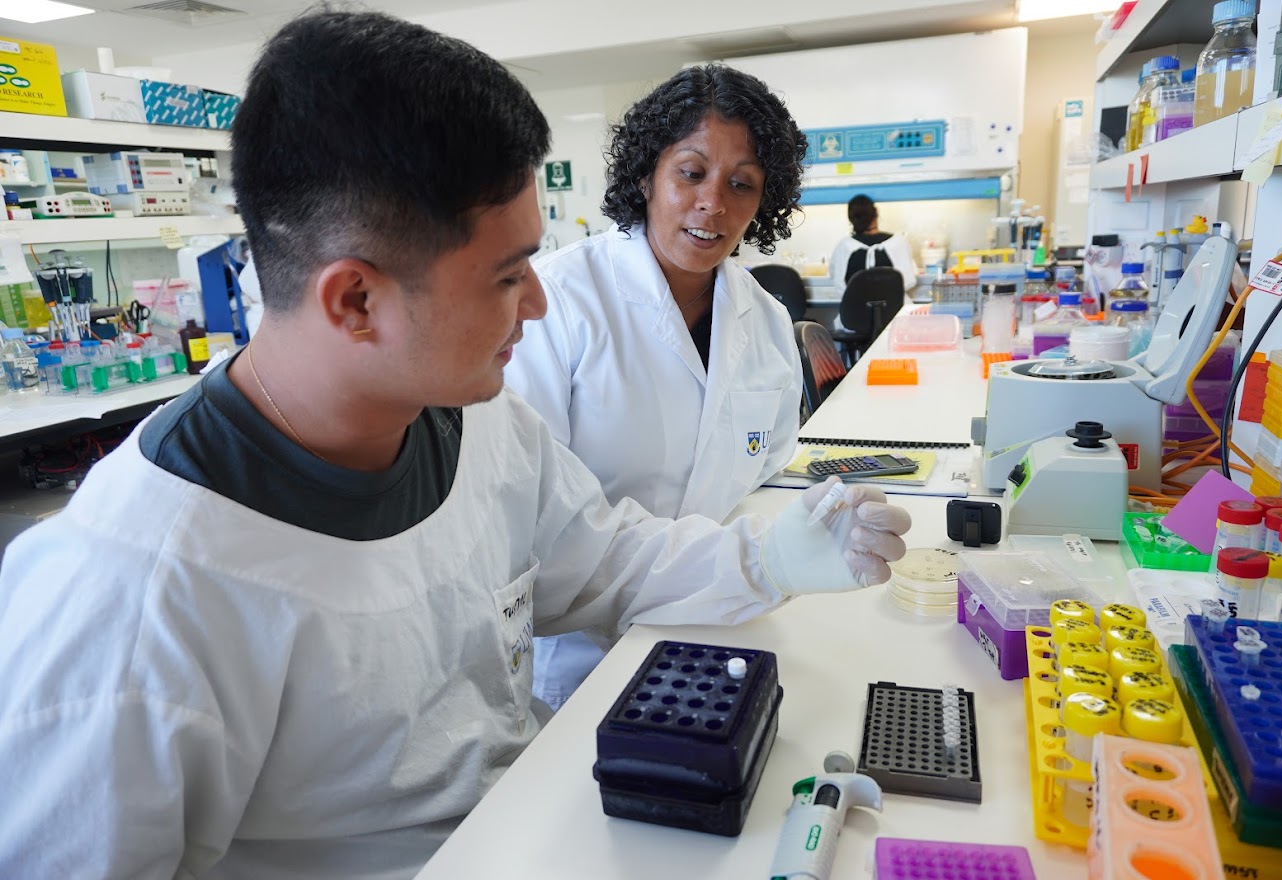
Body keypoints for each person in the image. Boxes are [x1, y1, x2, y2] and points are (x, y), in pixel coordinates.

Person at [0, 11, 911, 879]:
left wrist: (770, 555)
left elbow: (606, 561)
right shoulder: (131, 603)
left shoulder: (473, 421)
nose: (542, 304)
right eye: (509, 277)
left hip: (542, 829)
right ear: (355, 300)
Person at [504, 64, 807, 710]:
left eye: (742, 184)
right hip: (584, 659)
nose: (713, 204)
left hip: (720, 636)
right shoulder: (557, 302)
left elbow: (764, 469)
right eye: (691, 173)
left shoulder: (768, 322)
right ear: (646, 175)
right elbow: (534, 530)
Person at [828, 193, 918, 294]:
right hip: (894, 308)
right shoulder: (898, 242)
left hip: (855, 309)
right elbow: (909, 280)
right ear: (876, 215)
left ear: (851, 219)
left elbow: (835, 277)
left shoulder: (844, 246)